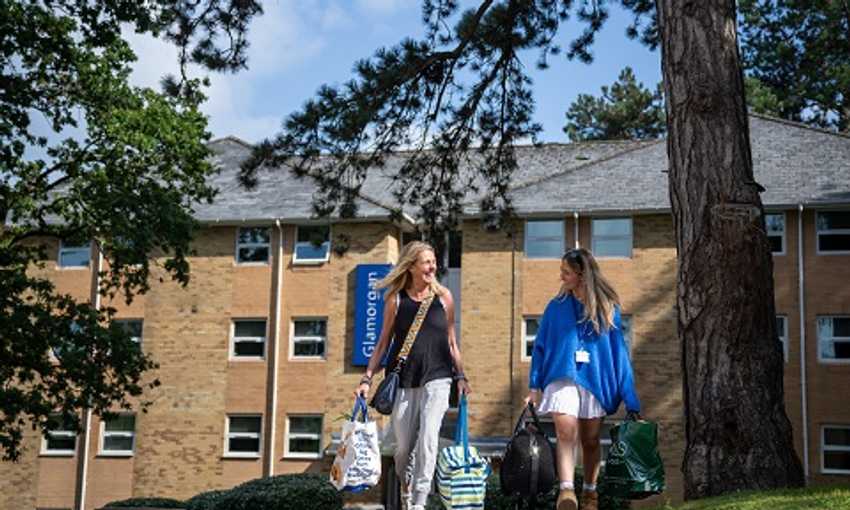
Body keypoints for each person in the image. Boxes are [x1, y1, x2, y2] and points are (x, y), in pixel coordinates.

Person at [356, 241, 471, 510]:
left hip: (439, 377)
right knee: (404, 449)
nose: (433, 267)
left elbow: (452, 342)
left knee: (429, 439)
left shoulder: (444, 298)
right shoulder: (395, 299)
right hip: (405, 380)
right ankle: (407, 488)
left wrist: (461, 376)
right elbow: (383, 343)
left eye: (433, 261)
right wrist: (367, 378)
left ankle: (419, 501)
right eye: (427, 262)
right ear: (411, 266)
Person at [526, 248, 641, 510]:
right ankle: (566, 491)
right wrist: (534, 385)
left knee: (590, 440)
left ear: (581, 274)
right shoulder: (554, 308)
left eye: (565, 272)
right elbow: (540, 347)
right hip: (561, 376)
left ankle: (590, 492)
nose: (561, 277)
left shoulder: (608, 308)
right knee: (565, 431)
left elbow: (619, 354)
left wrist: (630, 398)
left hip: (595, 380)